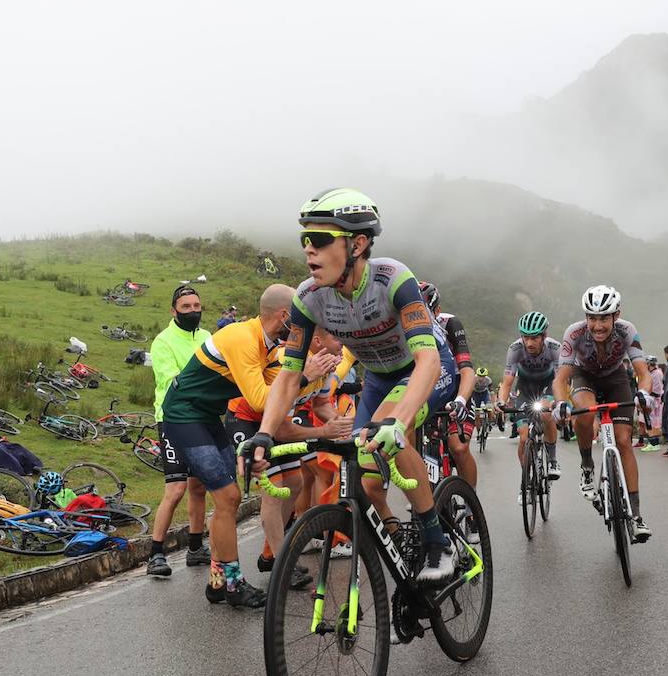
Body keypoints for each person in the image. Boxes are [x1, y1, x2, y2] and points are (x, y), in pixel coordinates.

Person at [240, 188, 461, 584]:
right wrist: (264, 434)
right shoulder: (308, 298)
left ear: (357, 244)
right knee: (364, 479)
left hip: (426, 367)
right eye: (304, 239)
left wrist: (399, 421)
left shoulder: (393, 279)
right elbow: (289, 376)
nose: (309, 250)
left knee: (388, 428)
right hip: (378, 376)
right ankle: (399, 544)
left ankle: (436, 540)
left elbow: (427, 360)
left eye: (320, 239)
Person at [159, 285, 343, 608]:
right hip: (182, 415)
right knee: (228, 497)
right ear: (285, 316)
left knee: (226, 501)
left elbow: (281, 399)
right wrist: (304, 377)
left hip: (207, 417)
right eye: (299, 319)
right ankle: (233, 584)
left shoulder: (268, 346)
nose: (302, 328)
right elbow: (260, 400)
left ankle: (218, 582)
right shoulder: (243, 337)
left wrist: (309, 382)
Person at [552, 285, 652, 539]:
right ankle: (587, 464)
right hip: (584, 376)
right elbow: (560, 379)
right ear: (586, 317)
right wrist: (561, 403)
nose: (597, 325)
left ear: (616, 315)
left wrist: (645, 393)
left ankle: (636, 516)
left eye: (604, 318)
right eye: (592, 318)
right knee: (585, 413)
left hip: (616, 378)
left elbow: (643, 372)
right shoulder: (574, 333)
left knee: (624, 441)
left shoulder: (627, 330)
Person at [144, 285, 211, 578]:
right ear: (174, 311)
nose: (193, 311)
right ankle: (155, 554)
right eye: (186, 307)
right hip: (173, 419)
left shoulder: (208, 337)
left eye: (196, 306)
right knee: (176, 489)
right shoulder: (163, 341)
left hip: (204, 418)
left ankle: (195, 548)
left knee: (199, 487)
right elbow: (172, 381)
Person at [420, 280, 479, 487]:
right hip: (427, 389)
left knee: (459, 448)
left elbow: (466, 369)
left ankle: (471, 502)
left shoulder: (450, 323)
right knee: (415, 450)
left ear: (437, 311)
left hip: (455, 387)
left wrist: (461, 400)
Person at [497, 311, 562, 491]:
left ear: (544, 336)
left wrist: (558, 401)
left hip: (548, 386)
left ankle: (553, 460)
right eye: (525, 337)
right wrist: (501, 402)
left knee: (547, 416)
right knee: (524, 438)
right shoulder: (515, 349)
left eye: (534, 338)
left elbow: (561, 380)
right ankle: (525, 480)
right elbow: (507, 382)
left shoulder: (555, 348)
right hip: (525, 390)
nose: (529, 343)